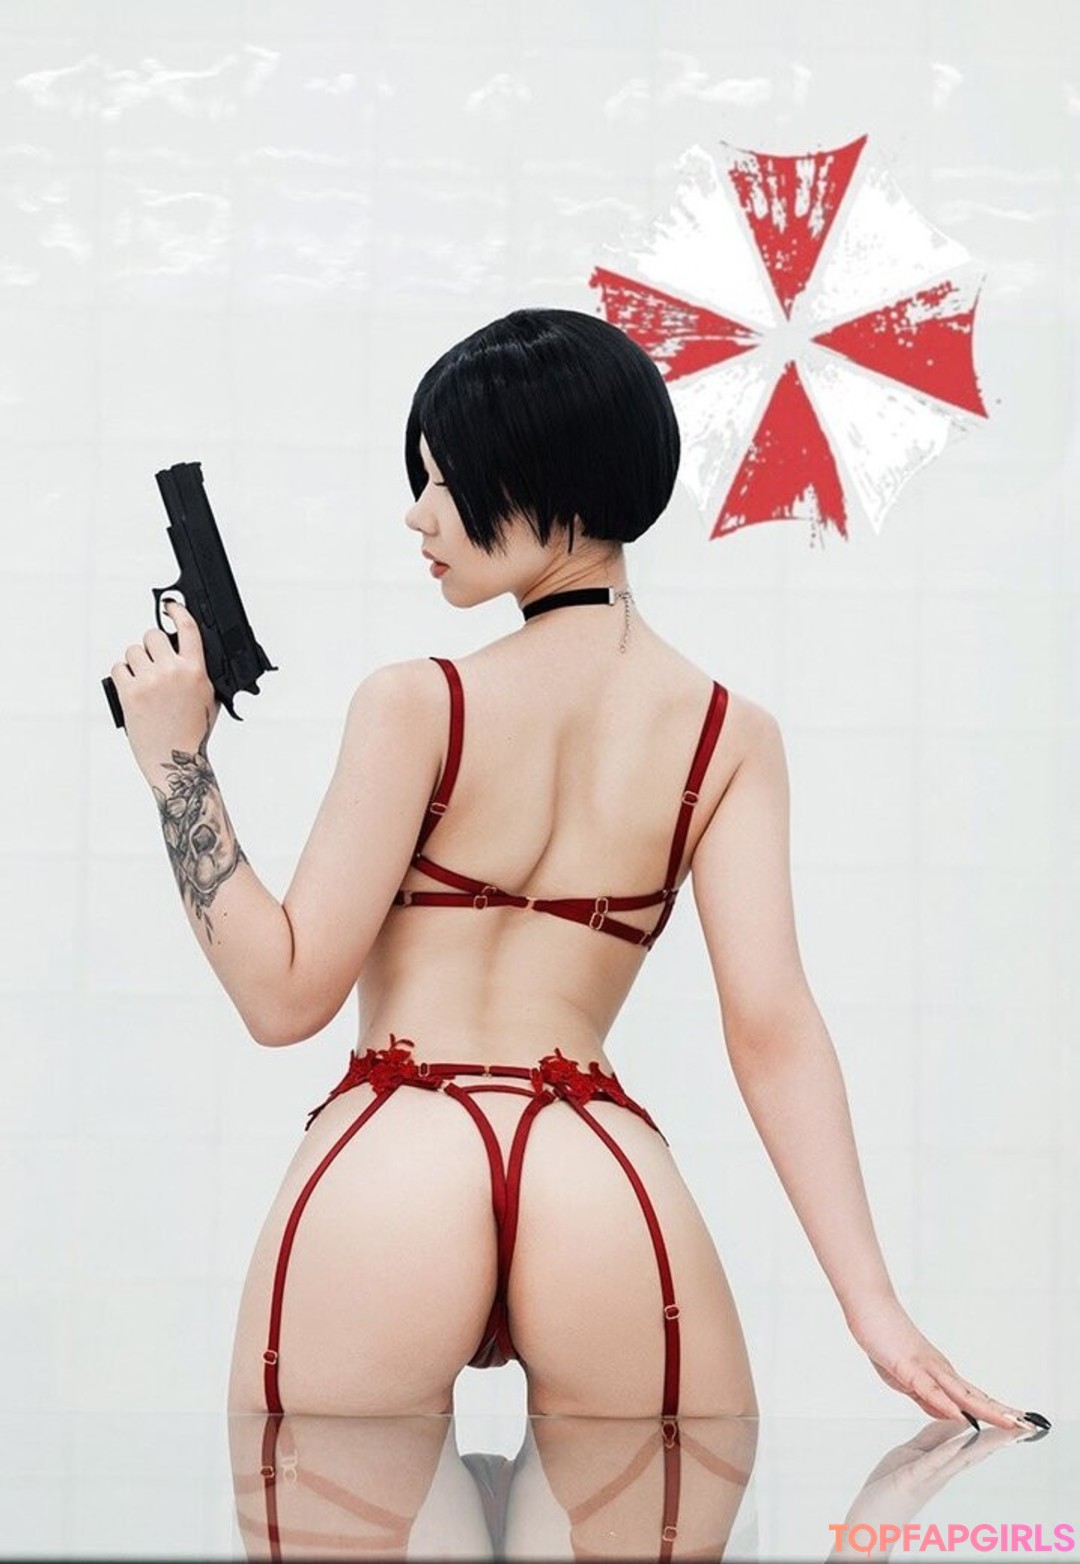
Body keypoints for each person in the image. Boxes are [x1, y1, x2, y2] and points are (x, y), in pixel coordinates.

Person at [111, 308, 1048, 1436]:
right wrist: (877, 1310)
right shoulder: (729, 737)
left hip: (388, 1168)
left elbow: (282, 996)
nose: (418, 514)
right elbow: (774, 1029)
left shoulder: (418, 703)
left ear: (539, 479)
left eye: (443, 479)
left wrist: (175, 760)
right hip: (604, 1183)